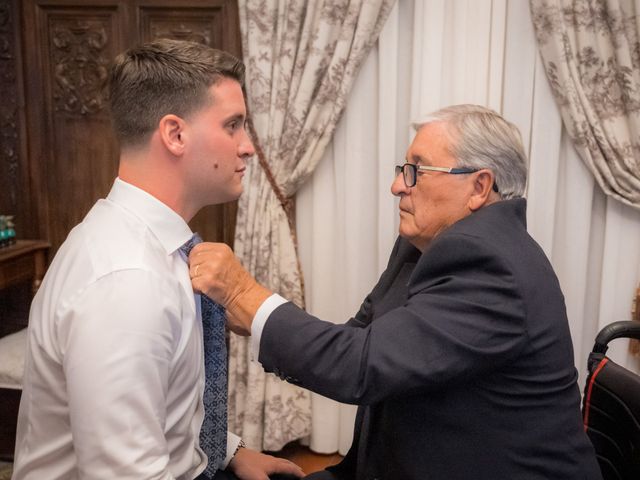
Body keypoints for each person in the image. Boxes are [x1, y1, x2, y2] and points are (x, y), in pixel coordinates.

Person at [187, 104, 603, 479]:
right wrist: (254, 317)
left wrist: (246, 296)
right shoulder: (426, 243)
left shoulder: (494, 268)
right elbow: (360, 340)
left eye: (417, 171)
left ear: (479, 187)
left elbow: (360, 367)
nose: (398, 187)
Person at [12, 39, 303, 480]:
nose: (247, 147)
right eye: (233, 125)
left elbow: (161, 405)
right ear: (175, 134)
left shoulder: (152, 247)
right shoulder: (127, 281)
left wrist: (227, 451)